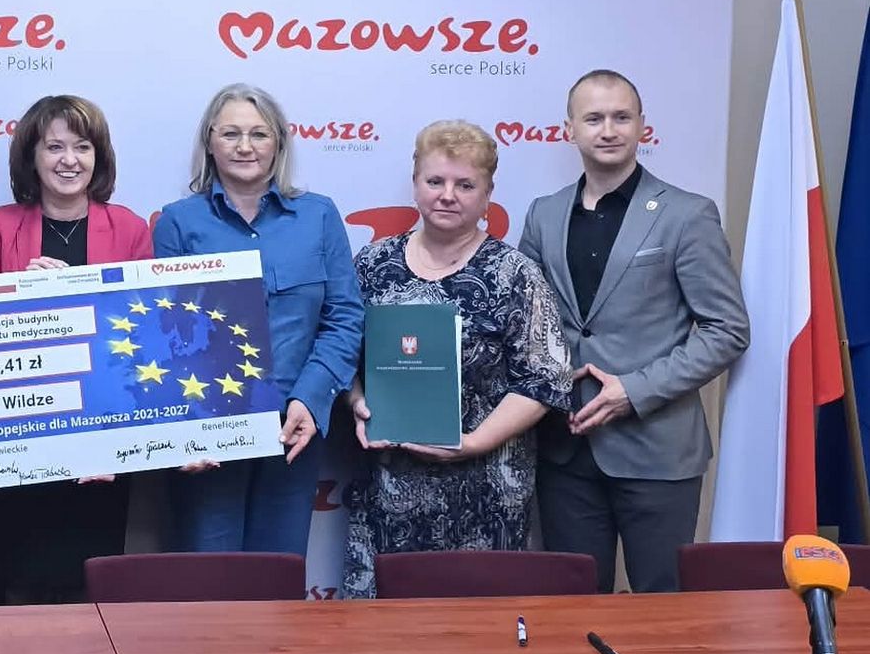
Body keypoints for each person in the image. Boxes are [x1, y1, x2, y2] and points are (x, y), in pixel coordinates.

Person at [520, 69, 748, 593]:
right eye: (594, 118)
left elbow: (727, 329)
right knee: (573, 606)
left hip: (657, 449)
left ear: (643, 126)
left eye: (621, 117)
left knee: (661, 606)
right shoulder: (544, 214)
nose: (608, 130)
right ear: (569, 130)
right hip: (564, 447)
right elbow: (525, 321)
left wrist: (634, 390)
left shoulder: (687, 214)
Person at [342, 120, 571, 599]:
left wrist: (475, 442)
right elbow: (342, 353)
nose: (447, 195)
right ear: (415, 184)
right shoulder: (371, 265)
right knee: (385, 629)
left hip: (487, 487)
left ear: (488, 195)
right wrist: (356, 400)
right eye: (435, 181)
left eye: (465, 185)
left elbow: (545, 378)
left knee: (478, 630)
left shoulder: (515, 274)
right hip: (389, 483)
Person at [153, 83, 363, 556]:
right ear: (209, 141)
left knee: (278, 577)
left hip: (295, 426)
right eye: (230, 134)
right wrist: (187, 428)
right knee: (209, 580)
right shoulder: (178, 222)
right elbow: (167, 333)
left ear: (279, 143)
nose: (244, 146)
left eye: (259, 134)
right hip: (209, 432)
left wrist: (310, 398)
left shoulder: (318, 216)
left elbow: (344, 317)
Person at [0, 94, 152, 603]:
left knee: (87, 590)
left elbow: (143, 340)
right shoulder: (0, 227)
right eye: (54, 147)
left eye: (82, 146)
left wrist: (77, 296)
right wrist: (24, 296)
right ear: (31, 156)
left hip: (102, 450)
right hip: (16, 444)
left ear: (99, 156)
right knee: (12, 586)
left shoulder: (130, 229)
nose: (69, 160)